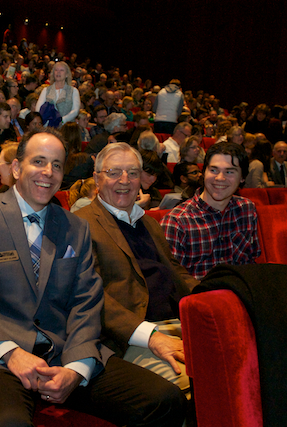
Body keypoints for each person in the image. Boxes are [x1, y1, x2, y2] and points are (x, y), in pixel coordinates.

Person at [0, 129, 187, 427]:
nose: (48, 172)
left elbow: (86, 301)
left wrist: (78, 368)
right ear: (16, 168)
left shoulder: (74, 228)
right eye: (39, 161)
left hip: (66, 351)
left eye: (57, 165)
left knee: (164, 399)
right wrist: (11, 353)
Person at [74, 143, 198, 393]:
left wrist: (213, 297)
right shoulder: (80, 225)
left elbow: (178, 273)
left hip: (182, 323)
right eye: (114, 172)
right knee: (195, 386)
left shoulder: (150, 223)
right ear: (97, 179)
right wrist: (150, 336)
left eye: (132, 172)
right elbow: (91, 298)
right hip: (133, 337)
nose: (125, 180)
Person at [160, 142, 261, 280]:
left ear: (242, 177)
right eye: (213, 170)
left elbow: (251, 261)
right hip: (197, 296)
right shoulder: (177, 221)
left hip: (239, 293)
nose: (220, 178)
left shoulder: (247, 209)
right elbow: (172, 281)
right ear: (204, 172)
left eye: (229, 172)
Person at [35, 61, 80, 126]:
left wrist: (62, 120)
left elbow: (75, 110)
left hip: (66, 127)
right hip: (47, 127)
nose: (58, 72)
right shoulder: (46, 90)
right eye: (56, 70)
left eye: (61, 70)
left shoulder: (74, 91)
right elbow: (38, 109)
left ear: (67, 74)